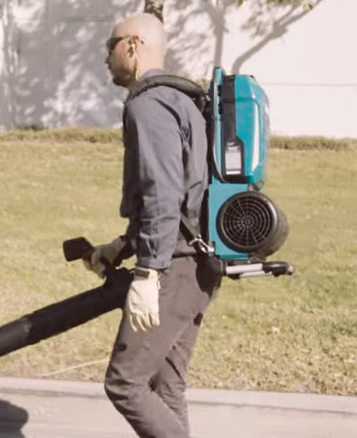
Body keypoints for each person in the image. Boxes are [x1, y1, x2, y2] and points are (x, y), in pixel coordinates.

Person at [82, 12, 222, 438]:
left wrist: (148, 272)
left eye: (110, 46)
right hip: (198, 265)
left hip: (172, 270)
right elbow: (180, 195)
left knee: (124, 384)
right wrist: (122, 245)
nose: (106, 57)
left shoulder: (148, 105)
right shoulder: (184, 100)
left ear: (133, 45)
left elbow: (162, 192)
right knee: (166, 385)